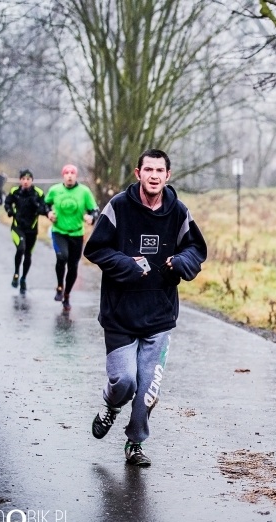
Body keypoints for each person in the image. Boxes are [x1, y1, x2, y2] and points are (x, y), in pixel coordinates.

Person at [84, 148, 207, 467]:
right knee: (125, 382)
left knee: (148, 391)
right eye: (148, 170)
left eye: (159, 171)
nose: (154, 175)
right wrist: (127, 264)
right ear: (138, 174)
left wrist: (181, 262)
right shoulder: (119, 207)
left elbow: (196, 248)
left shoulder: (178, 211)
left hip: (160, 315)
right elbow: (96, 249)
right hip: (120, 314)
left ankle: (135, 443)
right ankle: (110, 407)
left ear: (168, 176)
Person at [45, 164, 99, 310]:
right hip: (59, 231)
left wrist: (91, 217)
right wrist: (48, 213)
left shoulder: (84, 191)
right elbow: (45, 204)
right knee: (62, 257)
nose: (69, 175)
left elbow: (94, 209)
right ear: (63, 175)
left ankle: (67, 295)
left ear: (76, 176)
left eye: (72, 173)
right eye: (67, 173)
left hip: (77, 233)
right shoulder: (55, 190)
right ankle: (59, 286)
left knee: (73, 266)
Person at [4, 169, 49, 294]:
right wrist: (9, 210)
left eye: (28, 179)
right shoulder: (15, 191)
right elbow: (7, 203)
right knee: (21, 248)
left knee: (28, 254)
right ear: (20, 180)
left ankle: (23, 278)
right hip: (17, 227)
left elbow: (43, 209)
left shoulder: (38, 193)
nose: (25, 181)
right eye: (23, 179)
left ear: (32, 181)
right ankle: (16, 273)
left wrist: (37, 205)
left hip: (32, 229)